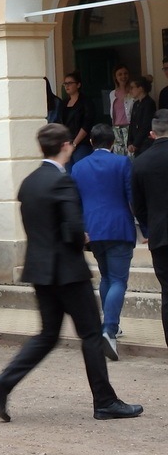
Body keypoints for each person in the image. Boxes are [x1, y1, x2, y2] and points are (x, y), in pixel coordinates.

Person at [0, 123, 142, 422]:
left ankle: (3, 383)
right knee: (92, 334)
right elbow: (71, 229)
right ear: (66, 146)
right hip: (68, 272)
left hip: (40, 269)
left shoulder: (30, 182)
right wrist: (81, 236)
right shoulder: (62, 181)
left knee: (47, 335)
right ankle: (105, 401)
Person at [70, 124, 135, 360]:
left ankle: (110, 325)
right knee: (118, 279)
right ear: (112, 143)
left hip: (94, 229)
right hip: (119, 227)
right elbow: (132, 197)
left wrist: (82, 229)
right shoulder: (122, 162)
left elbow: (75, 202)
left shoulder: (79, 166)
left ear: (91, 142)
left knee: (107, 277)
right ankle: (109, 330)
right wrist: (143, 226)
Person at [131, 109, 168, 349]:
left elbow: (138, 205)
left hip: (160, 234)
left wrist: (149, 227)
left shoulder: (141, 162)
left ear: (152, 133)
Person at [61, 71, 94, 170]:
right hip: (66, 143)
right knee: (68, 172)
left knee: (81, 170)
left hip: (81, 143)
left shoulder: (86, 102)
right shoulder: (64, 103)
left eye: (70, 83)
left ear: (78, 85)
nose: (67, 86)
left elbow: (87, 124)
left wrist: (75, 143)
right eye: (65, 84)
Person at [127, 76, 156, 157]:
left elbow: (146, 125)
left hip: (145, 143)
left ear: (140, 88)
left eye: (132, 88)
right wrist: (129, 142)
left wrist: (135, 144)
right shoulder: (136, 104)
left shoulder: (149, 103)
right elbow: (132, 124)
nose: (130, 90)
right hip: (135, 143)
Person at [108, 64, 133, 155]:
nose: (123, 76)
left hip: (129, 127)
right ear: (115, 77)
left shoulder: (133, 91)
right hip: (116, 129)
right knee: (118, 155)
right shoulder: (112, 94)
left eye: (125, 73)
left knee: (130, 155)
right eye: (120, 74)